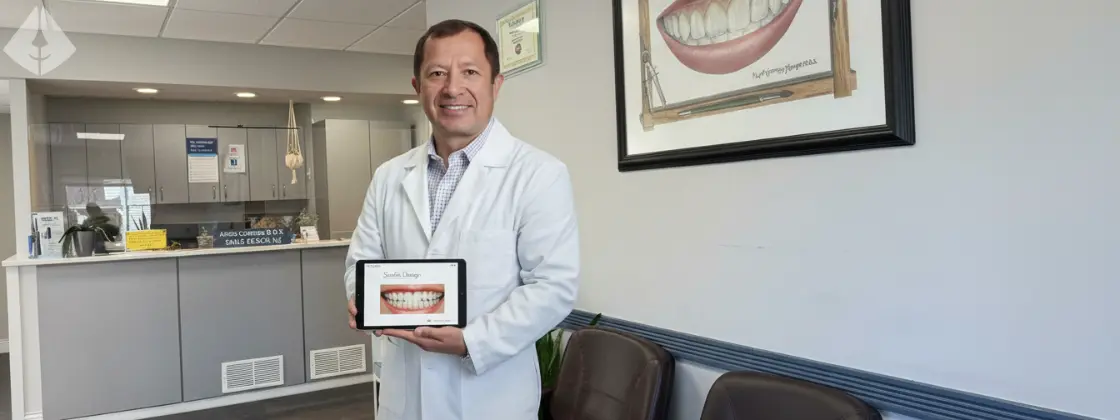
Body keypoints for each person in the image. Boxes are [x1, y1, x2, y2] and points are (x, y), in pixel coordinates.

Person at [343, 19, 581, 420]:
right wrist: (363, 299)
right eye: (437, 74)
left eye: (470, 72)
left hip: (490, 399)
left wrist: (473, 340)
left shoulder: (539, 173)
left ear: (495, 85)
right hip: (406, 399)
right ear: (418, 87)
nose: (453, 88)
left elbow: (553, 286)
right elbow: (360, 262)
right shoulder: (388, 177)